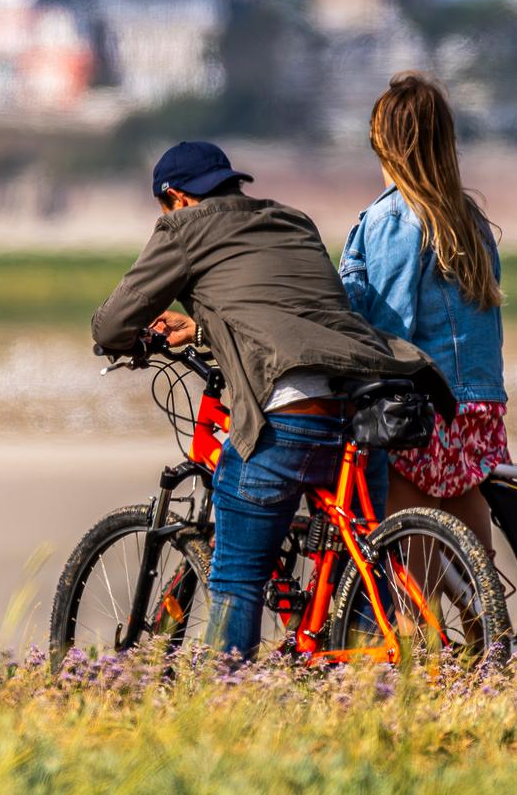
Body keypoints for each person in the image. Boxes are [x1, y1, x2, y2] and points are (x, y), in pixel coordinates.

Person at [91, 140, 451, 658]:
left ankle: (229, 713)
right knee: (361, 571)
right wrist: (200, 330)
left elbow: (112, 323)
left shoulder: (183, 227)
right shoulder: (292, 221)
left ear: (175, 197)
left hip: (287, 415)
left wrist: (121, 340)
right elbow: (281, 310)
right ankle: (376, 698)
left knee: (237, 579)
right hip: (362, 408)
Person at [339, 70, 509, 555]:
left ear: (387, 146)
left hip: (422, 409)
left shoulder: (392, 216)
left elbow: (389, 328)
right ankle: (488, 631)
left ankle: (421, 632)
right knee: (472, 556)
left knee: (410, 565)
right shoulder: (468, 217)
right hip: (477, 405)